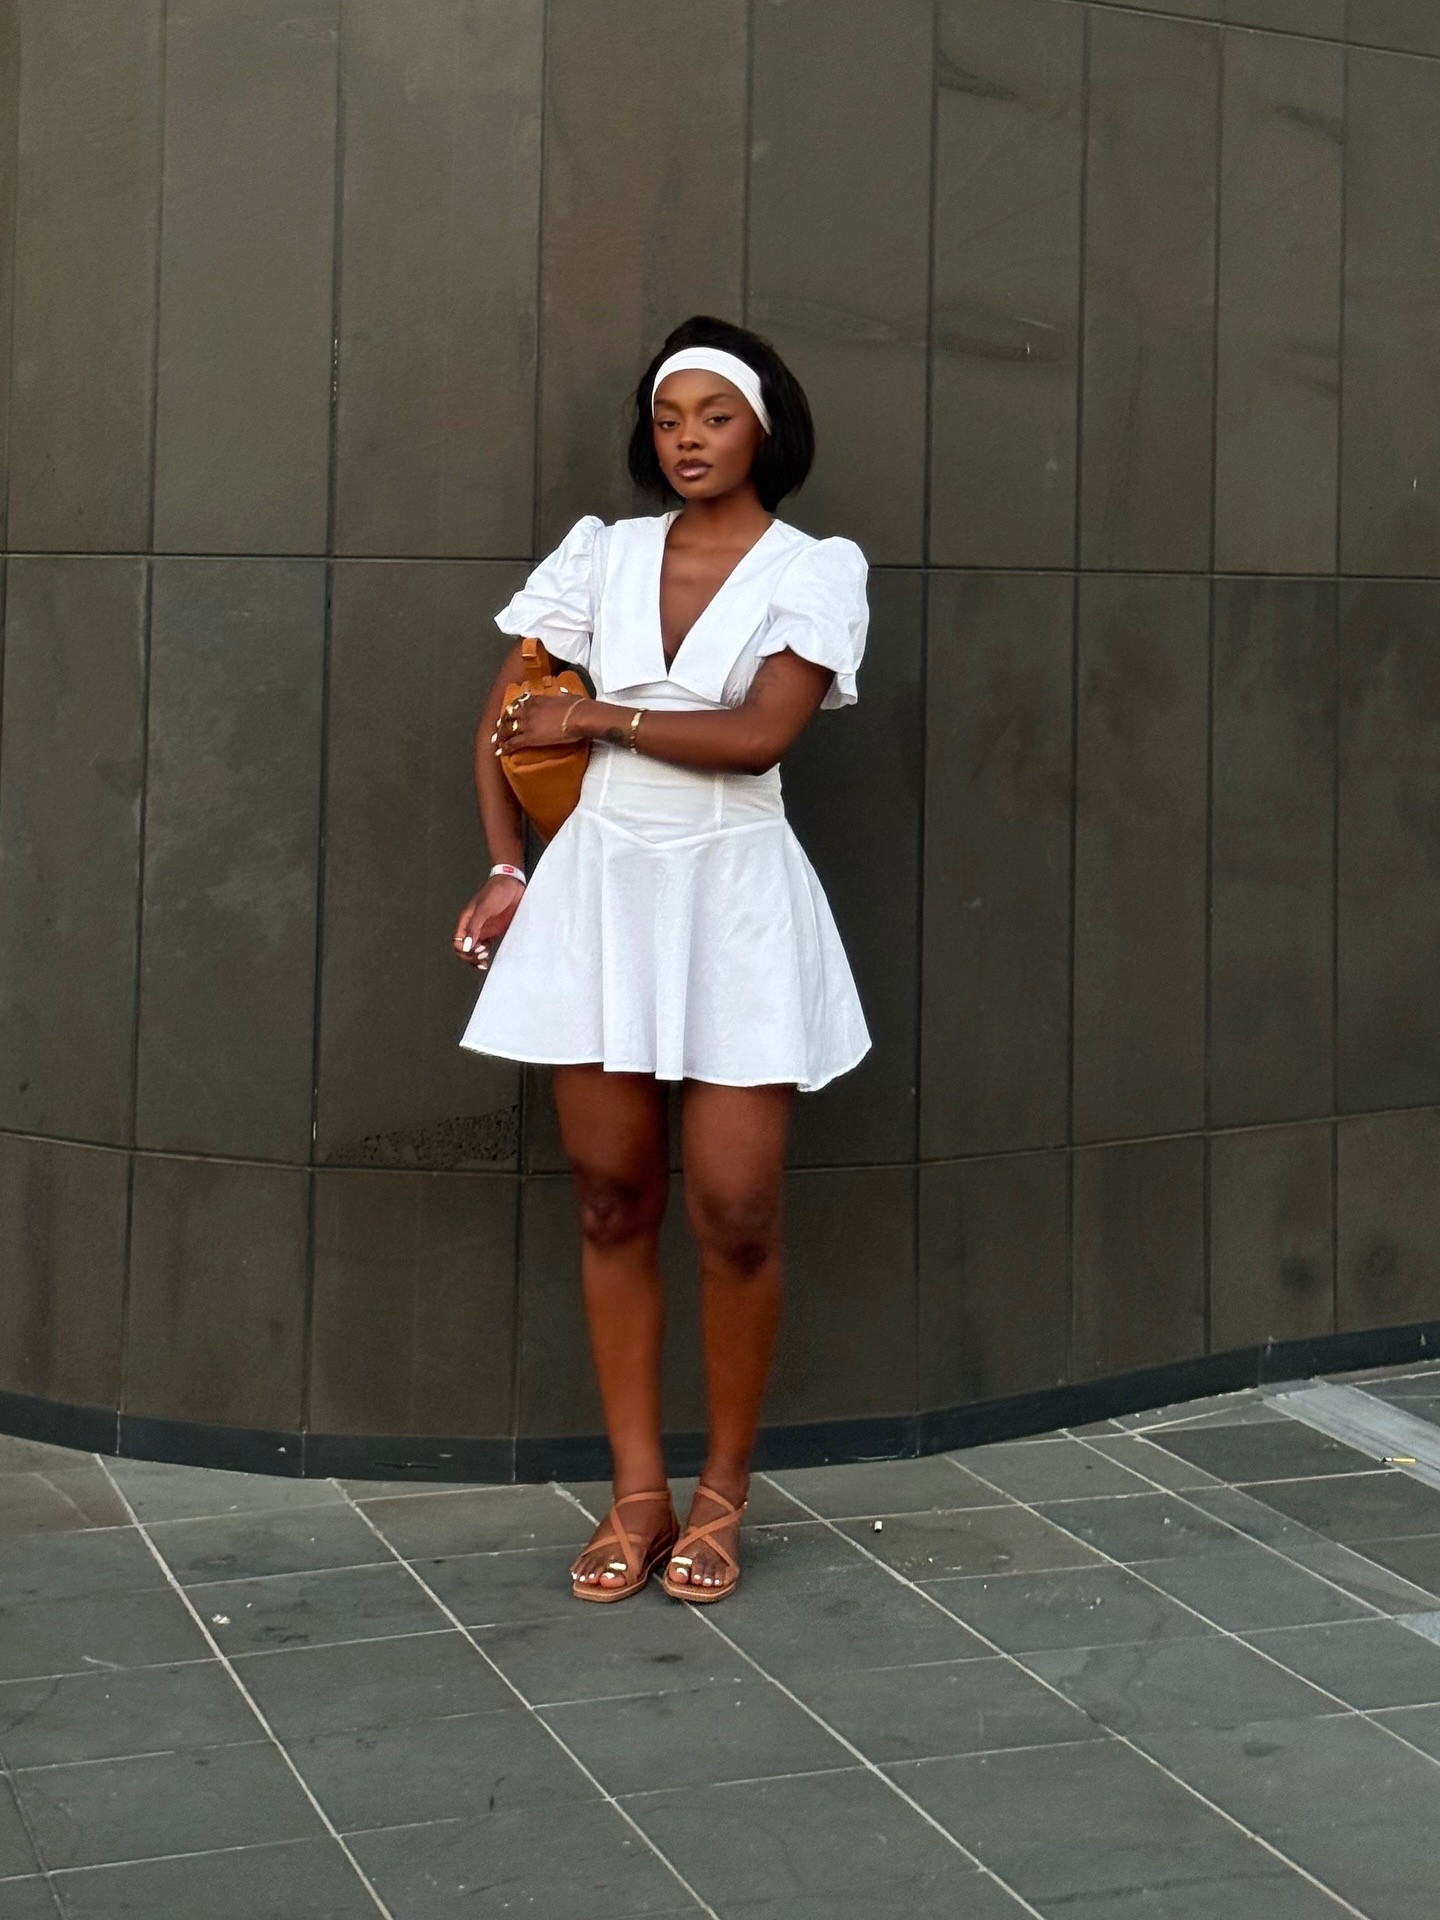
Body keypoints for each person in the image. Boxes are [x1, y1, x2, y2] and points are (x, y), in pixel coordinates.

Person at [452, 315, 870, 1604]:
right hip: (598, 895)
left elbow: (758, 739)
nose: (686, 438)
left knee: (736, 1210)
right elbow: (508, 726)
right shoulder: (604, 552)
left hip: (735, 892)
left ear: (764, 430)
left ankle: (724, 1496)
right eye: (667, 416)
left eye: (715, 416)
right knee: (609, 1198)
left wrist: (602, 715)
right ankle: (637, 1492)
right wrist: (511, 867)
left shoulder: (817, 566)